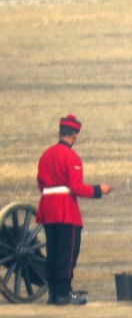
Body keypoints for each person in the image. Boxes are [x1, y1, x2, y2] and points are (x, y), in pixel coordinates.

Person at [36, 114, 113, 305]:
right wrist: (99, 190)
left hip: (47, 207)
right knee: (68, 252)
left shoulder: (46, 154)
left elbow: (41, 183)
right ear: (75, 135)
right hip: (65, 209)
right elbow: (77, 187)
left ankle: (54, 293)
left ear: (59, 133)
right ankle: (64, 292)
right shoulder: (72, 157)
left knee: (53, 252)